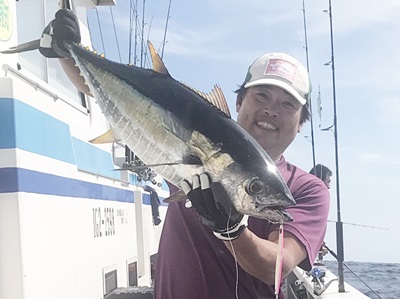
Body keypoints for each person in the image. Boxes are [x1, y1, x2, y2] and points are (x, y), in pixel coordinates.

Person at [39, 9, 330, 299]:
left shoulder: (306, 190)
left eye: (288, 104)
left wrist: (230, 229)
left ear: (301, 121)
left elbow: (276, 267)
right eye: (261, 96)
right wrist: (66, 49)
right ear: (239, 101)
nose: (271, 110)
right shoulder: (198, 132)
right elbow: (119, 99)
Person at [309, 164, 333, 259]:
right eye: (328, 182)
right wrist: (318, 245)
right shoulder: (314, 197)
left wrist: (320, 243)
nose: (329, 187)